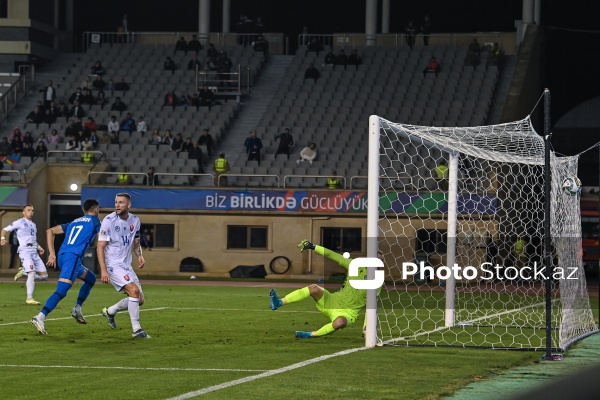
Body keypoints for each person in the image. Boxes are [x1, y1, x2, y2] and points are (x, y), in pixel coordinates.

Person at [269, 240, 383, 338]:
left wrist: (366, 328)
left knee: (339, 323)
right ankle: (279, 302)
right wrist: (313, 246)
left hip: (349, 312)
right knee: (313, 288)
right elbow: (332, 255)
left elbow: (371, 306)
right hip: (332, 300)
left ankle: (311, 334)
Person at [30, 199, 101, 335]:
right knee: (62, 290)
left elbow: (50, 231)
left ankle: (77, 308)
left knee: (91, 278)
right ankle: (40, 316)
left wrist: (52, 254)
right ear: (96, 209)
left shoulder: (74, 222)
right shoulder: (95, 221)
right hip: (72, 257)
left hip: (63, 256)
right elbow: (104, 238)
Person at [98, 192, 150, 338]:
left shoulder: (135, 220)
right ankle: (137, 330)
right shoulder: (108, 221)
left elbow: (136, 242)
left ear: (129, 205)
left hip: (126, 264)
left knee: (139, 300)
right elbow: (100, 246)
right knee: (133, 291)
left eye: (121, 202)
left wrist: (139, 255)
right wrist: (103, 270)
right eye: (116, 202)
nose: (117, 205)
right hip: (112, 264)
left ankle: (110, 311)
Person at [1, 205, 48, 304]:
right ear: (24, 212)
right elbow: (5, 230)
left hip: (34, 251)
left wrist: (39, 248)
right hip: (25, 251)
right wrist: (2, 238)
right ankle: (29, 298)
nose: (31, 212)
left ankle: (24, 271)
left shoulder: (33, 225)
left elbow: (32, 239)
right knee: (32, 273)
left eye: (32, 210)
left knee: (44, 277)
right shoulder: (20, 222)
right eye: (28, 210)